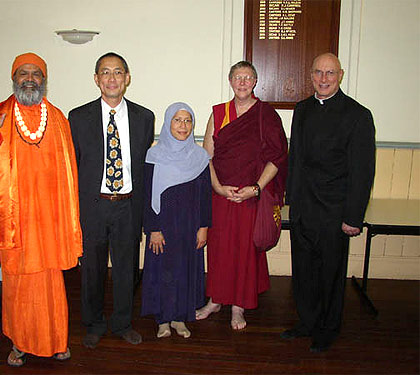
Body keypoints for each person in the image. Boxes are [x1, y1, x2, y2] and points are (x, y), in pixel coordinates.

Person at [0, 52, 83, 367]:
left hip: (49, 221)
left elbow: (70, 171)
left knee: (51, 287)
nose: (29, 78)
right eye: (23, 73)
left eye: (35, 73)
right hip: (15, 222)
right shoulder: (0, 114)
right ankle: (19, 343)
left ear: (43, 80)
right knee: (17, 288)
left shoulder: (56, 117)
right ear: (14, 78)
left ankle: (57, 342)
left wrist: (69, 219)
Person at [282, 53, 376, 353]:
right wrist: (291, 203)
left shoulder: (358, 115)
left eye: (330, 73)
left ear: (341, 75)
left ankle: (327, 328)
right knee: (304, 272)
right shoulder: (302, 109)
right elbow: (294, 159)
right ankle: (307, 322)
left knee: (331, 275)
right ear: (311, 75)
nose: (323, 79)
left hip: (335, 212)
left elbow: (363, 171)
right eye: (319, 73)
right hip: (304, 208)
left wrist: (353, 216)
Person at [68, 52, 154, 348]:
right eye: (105, 72)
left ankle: (122, 323)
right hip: (93, 206)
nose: (112, 78)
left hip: (128, 205)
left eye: (118, 72)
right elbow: (74, 166)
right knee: (91, 269)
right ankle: (93, 323)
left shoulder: (144, 117)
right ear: (96, 79)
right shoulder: (78, 118)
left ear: (127, 78)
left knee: (126, 269)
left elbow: (143, 165)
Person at [197, 61, 288, 330]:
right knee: (219, 249)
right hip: (222, 194)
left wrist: (256, 188)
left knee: (245, 252)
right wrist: (216, 187)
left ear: (255, 82)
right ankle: (215, 300)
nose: (243, 82)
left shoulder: (266, 114)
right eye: (238, 77)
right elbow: (207, 156)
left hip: (251, 196)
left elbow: (277, 157)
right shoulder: (219, 113)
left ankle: (238, 306)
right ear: (230, 80)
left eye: (248, 77)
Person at [141, 102, 212, 339]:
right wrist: (153, 229)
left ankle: (180, 317)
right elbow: (147, 193)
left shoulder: (200, 156)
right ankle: (163, 319)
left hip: (189, 225)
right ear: (168, 122)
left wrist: (203, 227)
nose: (183, 126)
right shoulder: (154, 154)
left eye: (188, 120)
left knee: (185, 270)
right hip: (163, 225)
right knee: (163, 271)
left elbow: (204, 195)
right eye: (177, 120)